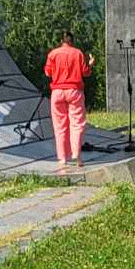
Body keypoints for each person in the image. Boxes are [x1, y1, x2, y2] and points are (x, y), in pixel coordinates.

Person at [44, 32, 94, 170]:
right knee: (77, 123)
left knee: (60, 126)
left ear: (61, 41)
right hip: (74, 91)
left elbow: (48, 73)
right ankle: (77, 155)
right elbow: (85, 73)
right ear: (72, 41)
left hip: (57, 92)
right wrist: (90, 64)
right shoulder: (78, 53)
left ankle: (62, 158)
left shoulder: (53, 54)